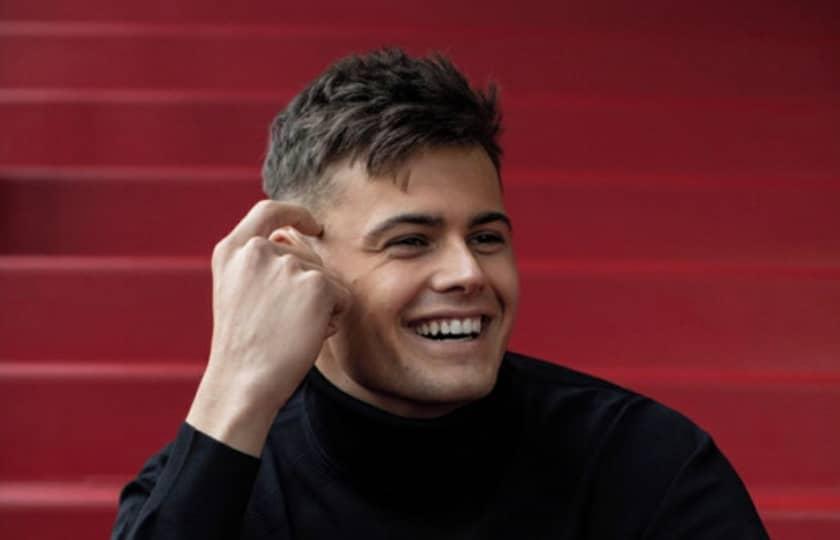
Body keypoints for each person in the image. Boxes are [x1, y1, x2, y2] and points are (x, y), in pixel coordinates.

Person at [112, 48, 769, 539]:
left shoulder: (646, 463)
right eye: (411, 241)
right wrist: (234, 387)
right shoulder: (206, 483)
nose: (469, 273)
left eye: (486, 237)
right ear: (299, 261)